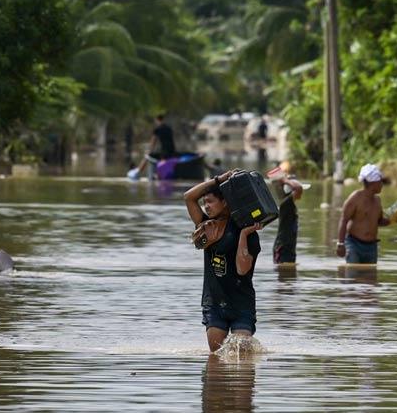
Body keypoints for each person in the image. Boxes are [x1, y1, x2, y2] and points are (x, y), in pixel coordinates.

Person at [184, 170, 263, 352]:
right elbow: (189, 197)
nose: (207, 207)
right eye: (204, 203)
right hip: (214, 302)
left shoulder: (247, 232)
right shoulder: (205, 226)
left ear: (225, 202)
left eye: (210, 202)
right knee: (216, 356)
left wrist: (243, 235)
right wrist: (220, 179)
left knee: (241, 352)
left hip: (241, 304)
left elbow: (242, 270)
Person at [335, 163, 397, 264]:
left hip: (371, 247)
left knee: (370, 278)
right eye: (380, 181)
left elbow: (379, 222)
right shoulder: (355, 198)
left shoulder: (377, 200)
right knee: (353, 276)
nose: (382, 184)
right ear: (372, 183)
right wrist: (340, 244)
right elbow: (344, 220)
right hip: (354, 245)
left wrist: (395, 218)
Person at [268, 162, 305, 265]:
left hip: (288, 247)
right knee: (284, 277)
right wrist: (285, 180)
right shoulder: (286, 203)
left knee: (288, 278)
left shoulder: (289, 204)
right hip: (283, 248)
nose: (300, 195)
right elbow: (299, 188)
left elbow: (298, 189)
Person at [127, 114, 177, 180]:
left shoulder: (157, 129)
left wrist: (149, 151)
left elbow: (153, 142)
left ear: (157, 120)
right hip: (172, 150)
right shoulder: (169, 128)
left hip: (164, 151)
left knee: (149, 156)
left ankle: (140, 172)